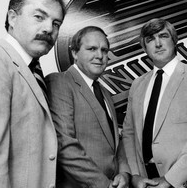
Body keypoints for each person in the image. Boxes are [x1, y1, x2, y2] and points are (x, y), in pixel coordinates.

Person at [121, 18, 187, 188]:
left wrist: (170, 180)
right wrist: (135, 175)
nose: (158, 43)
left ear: (174, 40)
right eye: (150, 39)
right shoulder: (137, 85)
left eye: (163, 36)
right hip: (146, 181)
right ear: (144, 48)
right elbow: (129, 134)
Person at [0, 0, 66, 188]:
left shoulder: (32, 68)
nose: (48, 28)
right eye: (39, 17)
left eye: (56, 23)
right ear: (12, 18)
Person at [45, 26, 130, 188]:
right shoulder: (60, 82)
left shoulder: (104, 92)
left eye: (104, 50)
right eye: (92, 49)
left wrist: (124, 173)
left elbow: (116, 145)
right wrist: (104, 185)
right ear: (74, 53)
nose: (99, 56)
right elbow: (65, 145)